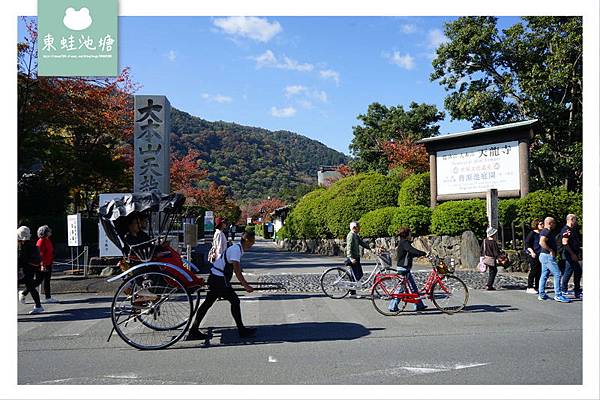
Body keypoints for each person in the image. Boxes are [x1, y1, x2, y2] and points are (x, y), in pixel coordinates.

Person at [186, 231, 257, 340]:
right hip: (218, 279)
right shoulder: (236, 251)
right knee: (234, 301)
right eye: (252, 241)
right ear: (247, 240)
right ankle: (242, 330)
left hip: (216, 277)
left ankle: (194, 330)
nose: (253, 243)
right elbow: (237, 271)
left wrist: (245, 284)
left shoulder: (237, 249)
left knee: (208, 303)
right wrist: (246, 286)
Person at [389, 227, 428, 312]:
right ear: (406, 235)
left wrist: (420, 254)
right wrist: (422, 253)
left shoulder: (403, 242)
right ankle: (392, 306)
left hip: (405, 268)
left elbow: (409, 254)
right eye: (410, 233)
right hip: (403, 268)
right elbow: (411, 250)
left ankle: (419, 305)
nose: (411, 235)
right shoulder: (405, 242)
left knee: (413, 287)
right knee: (401, 288)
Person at [538, 217, 571, 303]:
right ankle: (558, 295)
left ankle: (541, 294)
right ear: (550, 223)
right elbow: (541, 242)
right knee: (557, 274)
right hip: (547, 255)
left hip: (544, 255)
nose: (555, 225)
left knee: (544, 274)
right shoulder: (546, 231)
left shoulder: (544, 231)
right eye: (554, 223)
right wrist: (550, 250)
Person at [17, 226, 44, 314]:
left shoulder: (24, 247)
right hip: (30, 270)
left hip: (24, 270)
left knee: (31, 287)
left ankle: (38, 306)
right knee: (31, 287)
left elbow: (21, 259)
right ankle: (38, 306)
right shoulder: (32, 244)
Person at [558, 214, 582, 299]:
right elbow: (565, 242)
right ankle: (564, 290)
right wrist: (572, 254)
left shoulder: (572, 229)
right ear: (571, 219)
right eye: (575, 219)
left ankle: (576, 291)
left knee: (576, 271)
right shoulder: (566, 230)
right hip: (569, 254)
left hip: (573, 253)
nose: (576, 221)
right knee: (569, 271)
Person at [345, 221, 370, 298]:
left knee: (359, 274)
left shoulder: (355, 235)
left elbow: (362, 243)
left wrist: (370, 248)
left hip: (356, 257)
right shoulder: (351, 236)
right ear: (354, 228)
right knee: (355, 275)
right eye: (358, 227)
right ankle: (352, 293)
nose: (359, 228)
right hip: (353, 258)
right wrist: (350, 258)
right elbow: (348, 248)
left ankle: (352, 291)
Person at [524, 219, 544, 294]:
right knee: (533, 271)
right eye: (540, 224)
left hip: (541, 254)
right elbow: (527, 243)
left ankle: (537, 287)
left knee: (539, 271)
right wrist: (532, 252)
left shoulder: (542, 233)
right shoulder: (532, 233)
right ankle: (529, 287)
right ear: (536, 225)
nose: (542, 225)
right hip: (533, 254)